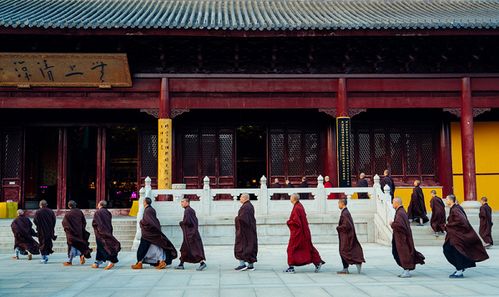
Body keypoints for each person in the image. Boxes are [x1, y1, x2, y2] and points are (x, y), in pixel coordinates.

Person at [444, 194, 489, 278]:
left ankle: (459, 270)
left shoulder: (456, 209)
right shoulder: (455, 208)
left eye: (447, 199)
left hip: (458, 235)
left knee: (456, 251)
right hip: (454, 235)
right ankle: (460, 267)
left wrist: (448, 225)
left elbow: (462, 221)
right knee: (448, 249)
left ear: (451, 200)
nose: (446, 201)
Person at [131, 197, 177, 269]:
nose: (143, 203)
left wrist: (141, 222)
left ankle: (141, 263)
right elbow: (154, 221)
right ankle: (160, 261)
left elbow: (148, 222)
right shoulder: (151, 209)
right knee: (156, 248)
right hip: (152, 233)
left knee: (143, 248)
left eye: (143, 201)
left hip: (148, 234)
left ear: (145, 202)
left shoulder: (148, 210)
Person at [284, 193, 325, 273]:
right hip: (304, 232)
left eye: (291, 197)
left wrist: (289, 222)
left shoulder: (297, 208)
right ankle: (318, 262)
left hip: (299, 233)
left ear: (294, 199)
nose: (290, 199)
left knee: (291, 249)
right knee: (308, 248)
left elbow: (296, 223)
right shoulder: (299, 206)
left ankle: (291, 267)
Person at [390, 197, 425, 278]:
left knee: (404, 253)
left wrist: (392, 224)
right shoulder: (400, 211)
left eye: (393, 202)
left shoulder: (400, 213)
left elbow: (400, 226)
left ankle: (407, 270)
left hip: (402, 239)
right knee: (398, 253)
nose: (392, 204)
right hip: (400, 238)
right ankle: (406, 269)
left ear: (396, 203)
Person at [176, 197, 207, 271]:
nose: (181, 203)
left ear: (187, 202)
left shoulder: (188, 211)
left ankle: (202, 263)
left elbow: (189, 222)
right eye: (181, 202)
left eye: (183, 202)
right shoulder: (189, 210)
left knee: (194, 249)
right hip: (190, 233)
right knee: (184, 249)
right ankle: (181, 264)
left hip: (191, 234)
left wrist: (181, 223)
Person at [336, 198, 365, 274]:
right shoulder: (345, 212)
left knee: (344, 251)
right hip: (346, 235)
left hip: (346, 236)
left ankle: (356, 263)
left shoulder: (345, 213)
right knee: (346, 251)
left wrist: (339, 228)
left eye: (339, 203)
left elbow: (347, 225)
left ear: (342, 203)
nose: (338, 205)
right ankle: (346, 268)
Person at [92, 200, 121, 270]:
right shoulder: (108, 212)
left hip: (101, 232)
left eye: (98, 203)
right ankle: (98, 261)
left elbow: (97, 223)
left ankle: (112, 261)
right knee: (100, 247)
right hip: (108, 230)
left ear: (100, 205)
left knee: (105, 247)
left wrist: (99, 230)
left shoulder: (98, 212)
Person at [62, 200, 92, 266]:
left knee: (72, 246)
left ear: (69, 206)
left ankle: (70, 261)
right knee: (79, 245)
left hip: (72, 234)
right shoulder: (79, 212)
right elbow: (84, 222)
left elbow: (65, 224)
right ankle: (81, 256)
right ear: (75, 205)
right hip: (79, 232)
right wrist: (81, 229)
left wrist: (68, 231)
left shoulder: (68, 214)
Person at [234, 193, 258, 271]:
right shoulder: (249, 206)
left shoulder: (246, 207)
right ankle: (250, 265)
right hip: (249, 231)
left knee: (242, 246)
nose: (240, 199)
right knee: (250, 246)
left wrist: (237, 218)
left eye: (240, 197)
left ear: (245, 198)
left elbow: (243, 219)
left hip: (244, 232)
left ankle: (242, 265)